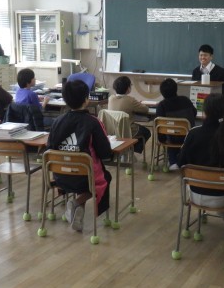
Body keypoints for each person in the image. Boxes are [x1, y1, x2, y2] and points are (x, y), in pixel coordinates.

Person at [47, 80, 113, 232]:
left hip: (60, 176)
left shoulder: (57, 121)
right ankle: (77, 203)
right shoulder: (93, 122)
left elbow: (50, 148)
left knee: (81, 173)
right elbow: (105, 153)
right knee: (105, 177)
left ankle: (78, 213)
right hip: (84, 177)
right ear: (86, 99)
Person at [155, 78, 197, 170]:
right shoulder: (186, 100)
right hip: (188, 136)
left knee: (171, 132)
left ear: (162, 92)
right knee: (176, 132)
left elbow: (159, 125)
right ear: (176, 89)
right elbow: (194, 113)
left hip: (171, 138)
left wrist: (162, 139)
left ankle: (173, 161)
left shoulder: (162, 105)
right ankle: (184, 160)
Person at [108, 76, 151, 154]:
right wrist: (139, 104)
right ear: (128, 88)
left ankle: (127, 150)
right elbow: (145, 109)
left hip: (113, 131)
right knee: (147, 132)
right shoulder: (130, 100)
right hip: (128, 130)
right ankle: (130, 151)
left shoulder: (111, 98)